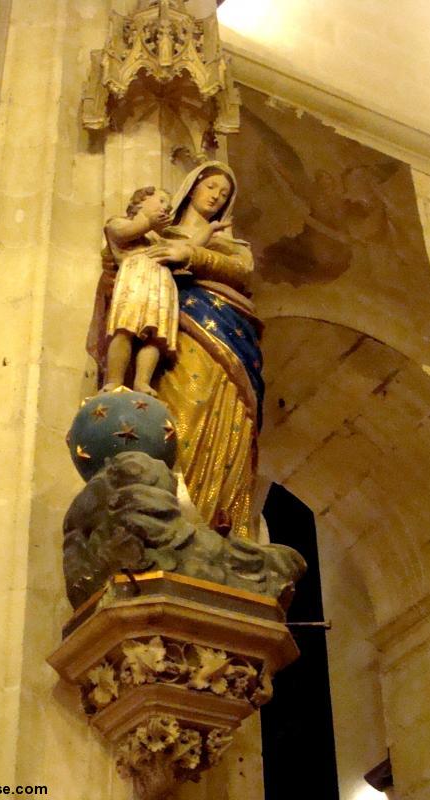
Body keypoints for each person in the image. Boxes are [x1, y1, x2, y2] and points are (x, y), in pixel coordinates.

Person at [145, 162, 263, 539]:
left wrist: (191, 256)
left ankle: (226, 525)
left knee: (233, 424)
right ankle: (178, 514)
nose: (215, 196)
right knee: (185, 409)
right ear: (193, 186)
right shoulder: (164, 233)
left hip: (233, 333)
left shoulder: (232, 242)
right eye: (210, 186)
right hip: (183, 328)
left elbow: (242, 270)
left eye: (224, 194)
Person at [102, 186, 232, 395]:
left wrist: (209, 229)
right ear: (140, 201)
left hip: (161, 285)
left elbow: (188, 245)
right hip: (135, 279)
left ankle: (142, 382)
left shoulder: (156, 239)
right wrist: (148, 221)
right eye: (161, 201)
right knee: (124, 329)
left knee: (156, 336)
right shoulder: (117, 223)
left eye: (168, 207)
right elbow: (125, 233)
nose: (166, 209)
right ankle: (114, 381)